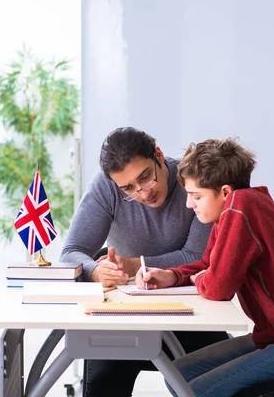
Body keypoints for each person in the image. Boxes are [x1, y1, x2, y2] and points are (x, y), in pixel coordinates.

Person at [136, 138, 274, 397]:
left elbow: (218, 288)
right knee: (177, 375)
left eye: (196, 196)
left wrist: (203, 278)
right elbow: (208, 267)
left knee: (198, 391)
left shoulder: (241, 207)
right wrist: (171, 276)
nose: (190, 205)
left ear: (224, 191)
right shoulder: (233, 211)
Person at [60, 127, 229, 397]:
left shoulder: (194, 181)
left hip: (191, 310)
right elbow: (71, 251)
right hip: (125, 315)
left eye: (146, 177)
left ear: (159, 156)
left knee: (212, 381)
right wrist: (95, 271)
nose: (143, 192)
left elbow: (197, 256)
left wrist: (135, 265)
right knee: (103, 382)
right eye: (128, 188)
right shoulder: (106, 186)